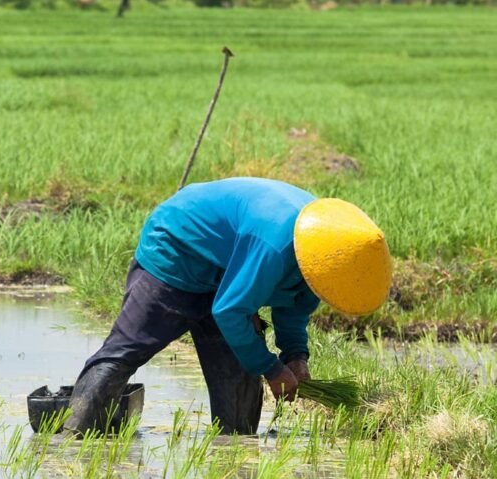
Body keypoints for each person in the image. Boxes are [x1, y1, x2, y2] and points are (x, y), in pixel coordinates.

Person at [62, 177, 392, 436]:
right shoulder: (276, 245)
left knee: (238, 391)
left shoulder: (322, 254)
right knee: (126, 352)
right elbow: (230, 311)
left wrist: (296, 357)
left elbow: (294, 307)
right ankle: (73, 438)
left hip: (230, 268)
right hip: (179, 250)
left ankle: (234, 453)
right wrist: (272, 369)